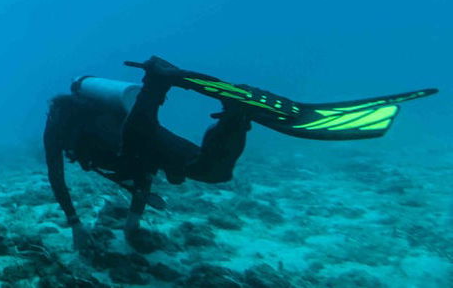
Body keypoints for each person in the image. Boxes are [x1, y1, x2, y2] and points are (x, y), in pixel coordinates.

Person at [43, 56, 437, 253]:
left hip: (136, 136)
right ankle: (236, 116)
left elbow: (57, 175)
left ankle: (156, 83)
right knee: (212, 172)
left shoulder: (61, 124)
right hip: (139, 140)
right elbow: (139, 168)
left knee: (138, 142)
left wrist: (76, 223)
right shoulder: (70, 125)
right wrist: (132, 219)